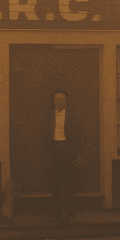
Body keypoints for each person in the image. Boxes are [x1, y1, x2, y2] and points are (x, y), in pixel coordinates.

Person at [46, 89, 82, 224]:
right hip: (54, 151)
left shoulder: (73, 117)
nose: (60, 102)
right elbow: (44, 135)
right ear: (53, 101)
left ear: (66, 101)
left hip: (68, 151)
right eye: (57, 99)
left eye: (62, 99)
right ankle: (57, 213)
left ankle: (68, 212)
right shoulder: (48, 116)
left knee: (68, 183)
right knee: (55, 184)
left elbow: (78, 137)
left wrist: (77, 155)